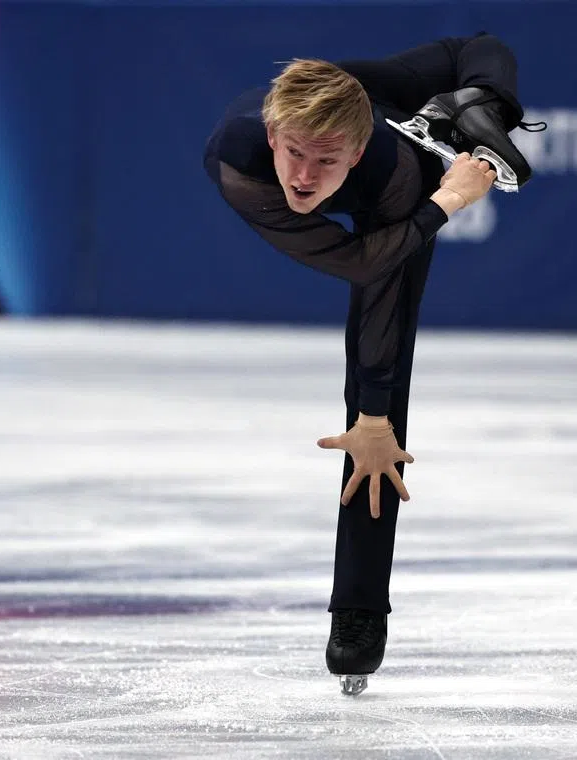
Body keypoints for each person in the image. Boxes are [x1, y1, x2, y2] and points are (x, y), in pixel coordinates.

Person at [203, 32, 540, 694]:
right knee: (372, 408)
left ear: (354, 153)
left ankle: (358, 611)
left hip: (396, 159)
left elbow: (379, 288)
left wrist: (376, 411)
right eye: (294, 154)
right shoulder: (239, 159)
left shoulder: (393, 171)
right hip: (357, 97)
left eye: (325, 161)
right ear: (273, 137)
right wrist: (450, 203)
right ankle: (477, 107)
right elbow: (351, 259)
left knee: (377, 418)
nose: (303, 176)